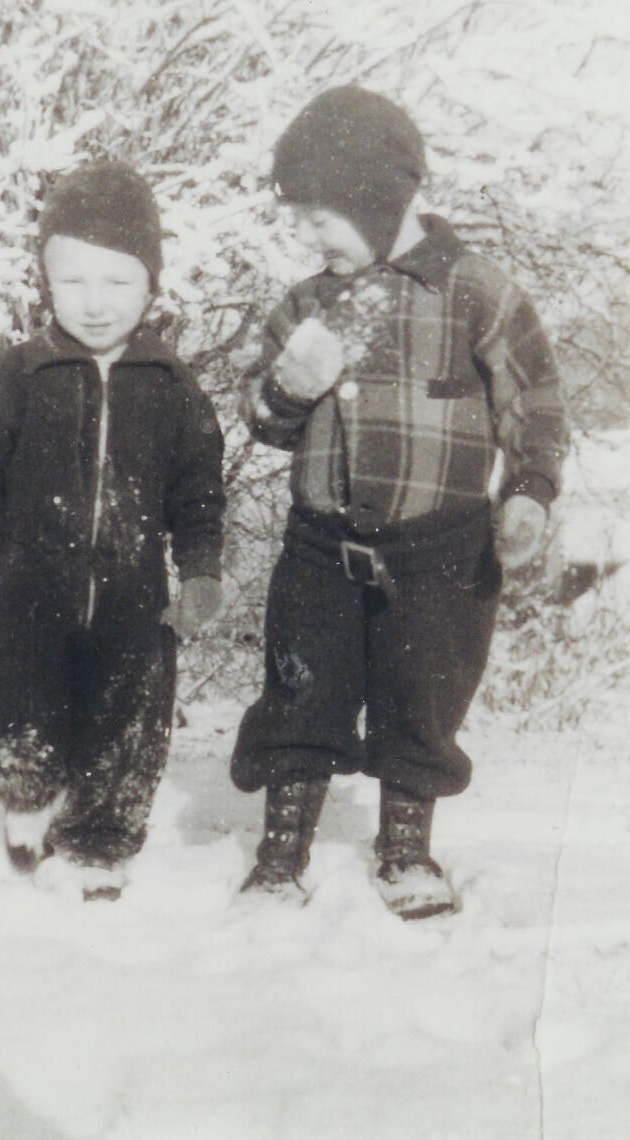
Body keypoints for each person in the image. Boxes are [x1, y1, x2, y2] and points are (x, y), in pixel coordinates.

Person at [231, 87, 569, 919]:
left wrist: (529, 492)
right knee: (300, 692)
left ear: (376, 199)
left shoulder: (476, 291)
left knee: (424, 698)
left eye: (320, 218)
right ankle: (281, 853)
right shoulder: (307, 304)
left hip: (443, 553)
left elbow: (536, 402)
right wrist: (288, 387)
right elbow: (262, 420)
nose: (308, 237)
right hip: (321, 548)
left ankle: (406, 850)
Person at [0, 159, 225, 900]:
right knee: (6, 698)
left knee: (129, 718)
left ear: (151, 287)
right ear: (47, 284)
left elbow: (198, 489)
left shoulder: (171, 387)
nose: (95, 303)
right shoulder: (15, 377)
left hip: (130, 591)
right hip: (26, 585)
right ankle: (28, 791)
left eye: (118, 282)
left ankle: (98, 839)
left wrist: (200, 570)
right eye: (73, 281)